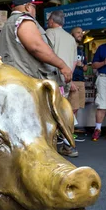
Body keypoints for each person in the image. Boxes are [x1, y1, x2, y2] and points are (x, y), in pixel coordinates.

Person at [0, 0, 72, 84]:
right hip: (26, 84)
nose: (35, 11)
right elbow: (37, 47)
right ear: (28, 7)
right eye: (34, 7)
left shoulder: (8, 24)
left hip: (14, 81)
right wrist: (62, 65)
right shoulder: (24, 20)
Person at [46, 10, 79, 157]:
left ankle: (49, 146)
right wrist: (68, 76)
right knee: (64, 110)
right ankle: (68, 145)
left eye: (49, 20)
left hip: (51, 78)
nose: (48, 22)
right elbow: (73, 61)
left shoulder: (49, 33)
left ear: (52, 21)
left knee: (47, 111)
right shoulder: (71, 38)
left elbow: (44, 54)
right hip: (66, 78)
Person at [69, 27, 89, 141]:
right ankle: (67, 133)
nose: (80, 34)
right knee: (72, 108)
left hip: (81, 80)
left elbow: (86, 68)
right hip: (72, 80)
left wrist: (81, 65)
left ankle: (71, 132)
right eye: (78, 32)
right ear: (72, 34)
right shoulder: (69, 48)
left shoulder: (81, 50)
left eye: (82, 32)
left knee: (77, 107)